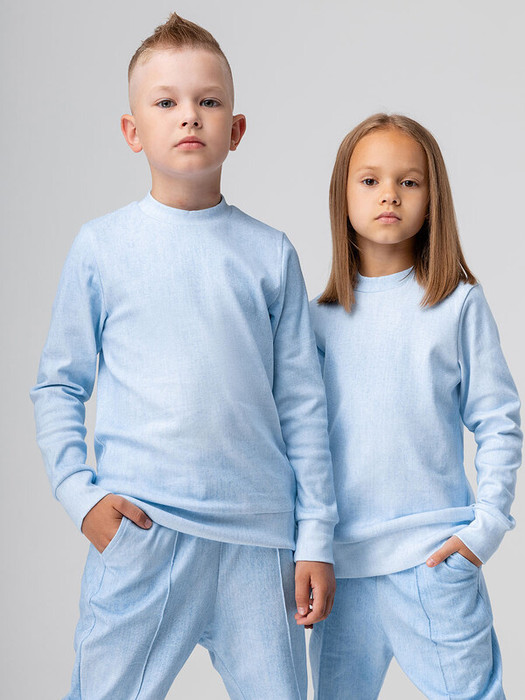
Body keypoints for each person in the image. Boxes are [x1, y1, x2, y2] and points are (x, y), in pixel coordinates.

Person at [30, 13, 337, 700]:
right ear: (132, 130)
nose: (189, 116)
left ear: (236, 129)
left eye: (208, 100)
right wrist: (81, 496)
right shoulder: (102, 248)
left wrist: (315, 535)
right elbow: (58, 385)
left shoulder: (269, 253)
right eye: (166, 102)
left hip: (260, 542)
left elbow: (303, 404)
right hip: (145, 533)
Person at [308, 113, 521, 699]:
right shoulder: (316, 320)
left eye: (409, 181)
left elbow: (499, 421)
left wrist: (486, 529)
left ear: (432, 199)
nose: (390, 195)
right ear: (342, 194)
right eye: (370, 180)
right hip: (343, 573)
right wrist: (307, 547)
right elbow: (299, 443)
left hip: (433, 563)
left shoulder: (457, 305)